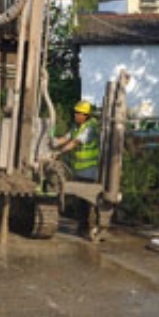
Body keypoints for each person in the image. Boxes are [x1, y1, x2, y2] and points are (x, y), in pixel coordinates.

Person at [53, 100, 101, 236]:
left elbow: (75, 142)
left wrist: (58, 152)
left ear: (86, 115)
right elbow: (67, 138)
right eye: (75, 113)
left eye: (79, 113)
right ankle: (82, 228)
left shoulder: (90, 128)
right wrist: (53, 142)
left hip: (90, 171)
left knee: (88, 201)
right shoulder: (77, 127)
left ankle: (93, 228)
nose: (76, 115)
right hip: (79, 170)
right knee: (79, 202)